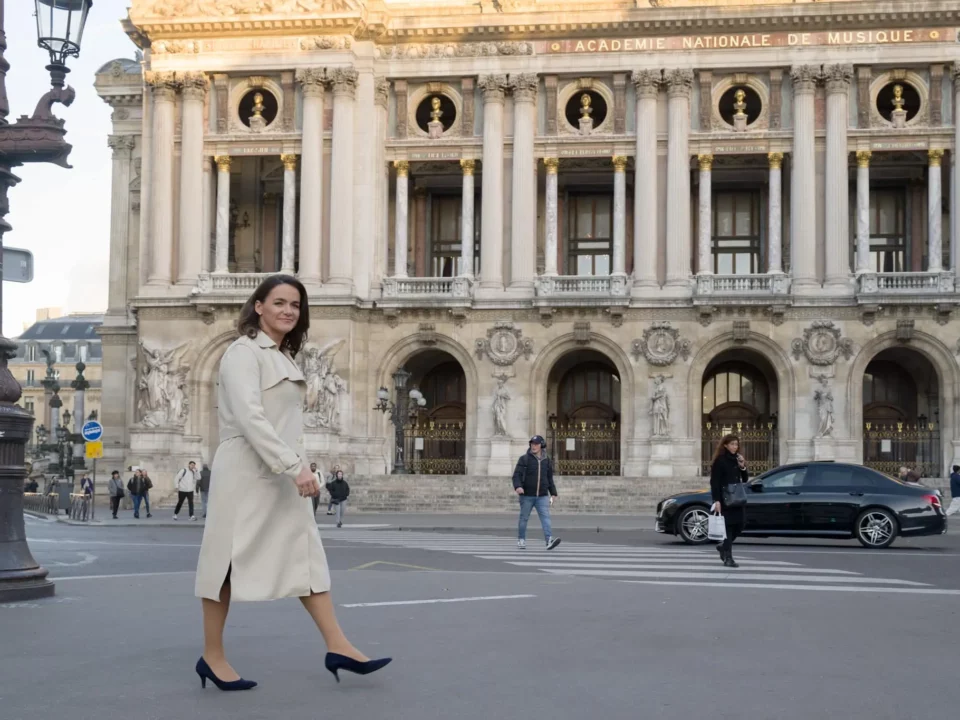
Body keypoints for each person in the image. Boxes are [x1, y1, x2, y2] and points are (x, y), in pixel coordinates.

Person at [194, 274, 390, 692]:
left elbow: (282, 423)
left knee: (306, 556)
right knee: (225, 566)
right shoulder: (243, 353)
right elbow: (250, 418)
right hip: (247, 471)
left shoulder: (283, 357)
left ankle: (338, 645)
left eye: (295, 305)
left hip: (281, 472)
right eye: (279, 302)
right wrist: (294, 466)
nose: (288, 310)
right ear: (258, 307)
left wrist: (299, 467)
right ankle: (212, 656)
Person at [511, 435, 561, 550]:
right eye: (532, 444)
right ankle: (521, 539)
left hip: (542, 496)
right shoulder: (524, 459)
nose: (533, 446)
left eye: (536, 444)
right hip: (527, 495)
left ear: (541, 445)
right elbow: (516, 475)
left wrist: (553, 493)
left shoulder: (547, 460)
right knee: (524, 518)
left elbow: (549, 478)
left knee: (546, 518)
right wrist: (518, 486)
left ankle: (549, 540)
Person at [710, 434, 749, 568]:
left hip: (737, 497)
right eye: (732, 444)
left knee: (741, 524)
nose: (735, 447)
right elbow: (714, 482)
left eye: (736, 444)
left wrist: (742, 466)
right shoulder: (720, 460)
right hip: (725, 498)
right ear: (725, 445)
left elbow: (744, 479)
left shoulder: (737, 459)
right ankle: (729, 558)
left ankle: (722, 546)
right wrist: (716, 501)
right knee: (729, 528)